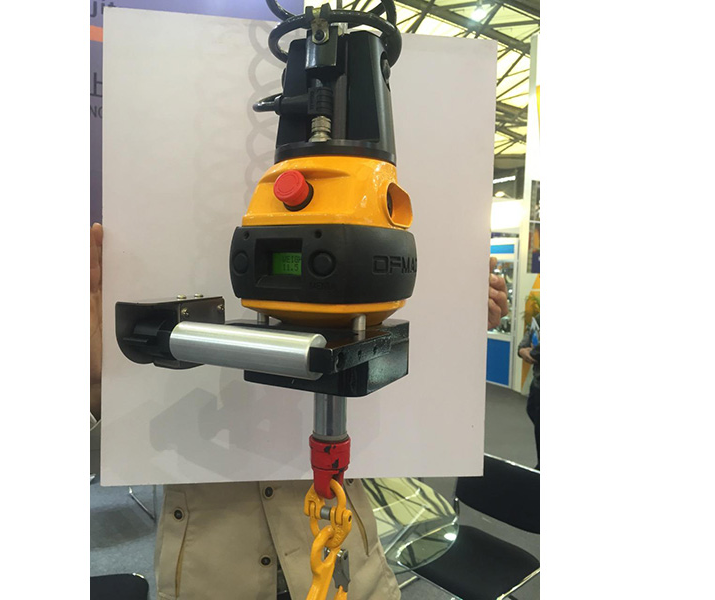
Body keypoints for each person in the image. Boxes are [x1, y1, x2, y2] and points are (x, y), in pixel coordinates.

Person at [90, 225, 509, 599]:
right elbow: (103, 458)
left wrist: (460, 325)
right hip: (211, 567)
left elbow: (417, 403)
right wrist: (92, 381)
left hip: (348, 558)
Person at [518, 312, 540, 470]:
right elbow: (523, 345)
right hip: (538, 385)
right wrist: (524, 351)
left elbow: (536, 352)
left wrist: (532, 352)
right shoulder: (540, 318)